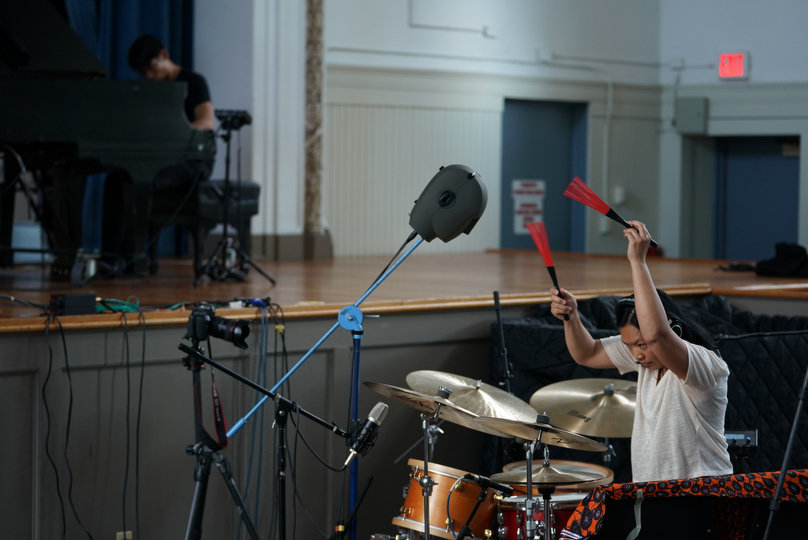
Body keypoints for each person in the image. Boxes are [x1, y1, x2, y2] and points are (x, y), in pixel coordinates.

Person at [549, 220, 733, 482]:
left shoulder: (705, 364)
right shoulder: (645, 358)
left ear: (674, 330)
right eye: (630, 345)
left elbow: (657, 336)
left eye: (642, 344)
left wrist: (638, 262)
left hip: (700, 491)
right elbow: (587, 353)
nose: (637, 354)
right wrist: (571, 317)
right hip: (652, 492)